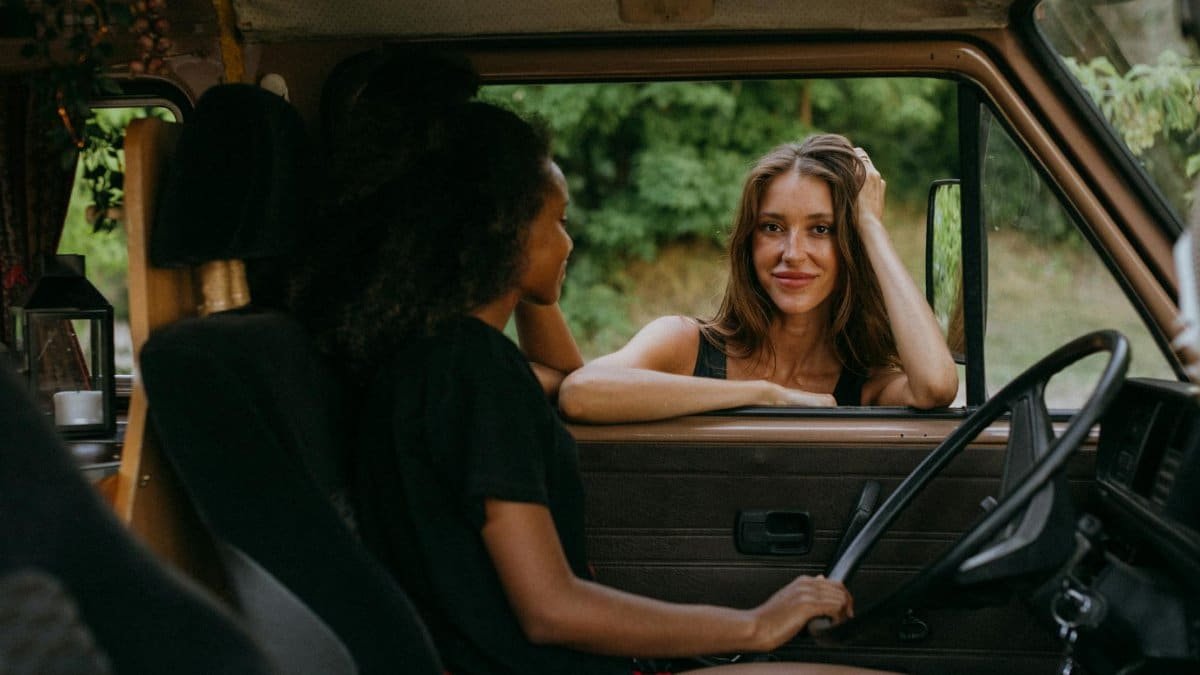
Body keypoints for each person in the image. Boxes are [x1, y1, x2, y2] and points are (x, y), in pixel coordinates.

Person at [294, 70, 895, 673]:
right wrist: (757, 624)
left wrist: (530, 285)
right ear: (501, 231)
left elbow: (565, 379)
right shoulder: (473, 373)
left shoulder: (446, 360)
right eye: (555, 221)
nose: (569, 243)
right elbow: (550, 609)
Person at [558, 135, 958, 423]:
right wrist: (767, 396)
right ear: (748, 243)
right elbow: (581, 393)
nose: (793, 253)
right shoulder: (685, 345)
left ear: (850, 248)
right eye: (772, 227)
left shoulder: (866, 386)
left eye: (821, 229)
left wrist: (870, 225)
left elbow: (937, 387)